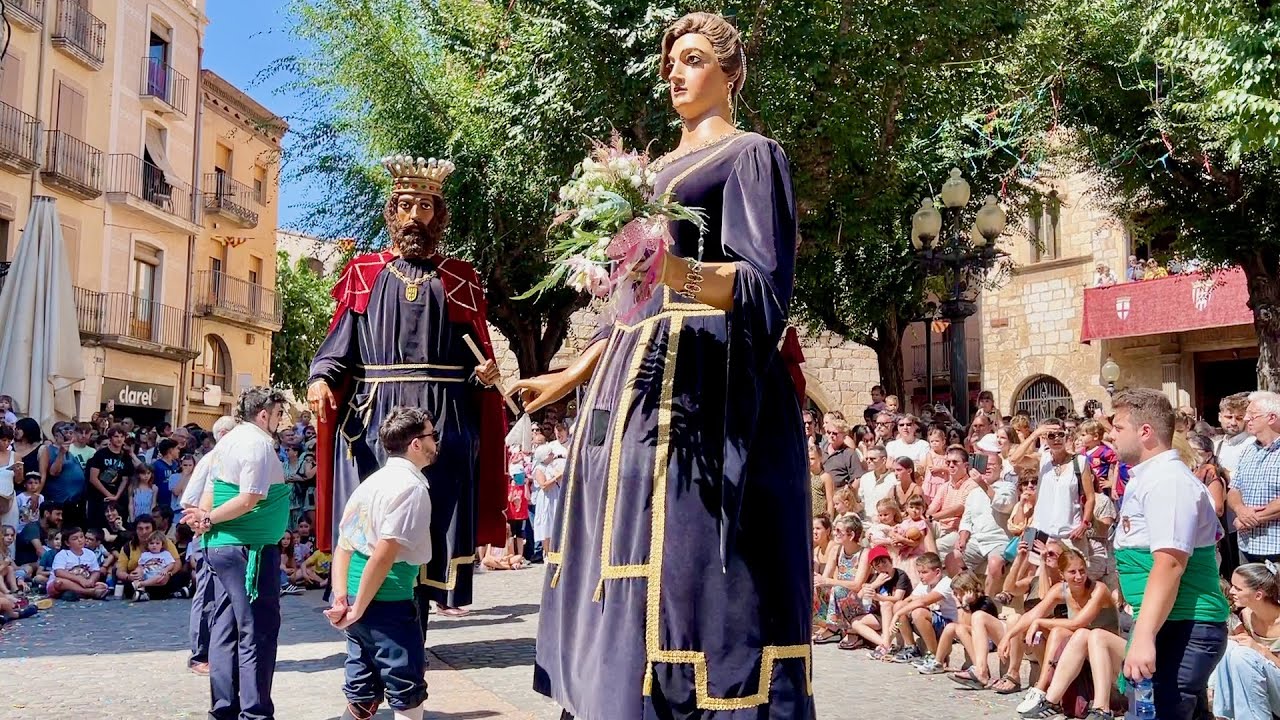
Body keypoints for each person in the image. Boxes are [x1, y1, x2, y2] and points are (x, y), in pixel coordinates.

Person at [515, 12, 813, 717]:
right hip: (628, 383)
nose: (675, 72)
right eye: (671, 60)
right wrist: (570, 374)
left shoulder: (749, 156)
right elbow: (627, 303)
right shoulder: (646, 176)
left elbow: (760, 288)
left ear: (730, 72)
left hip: (706, 387)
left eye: (695, 57)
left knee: (684, 561)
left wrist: (670, 270)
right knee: (618, 544)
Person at [307, 149, 508, 620]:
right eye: (405, 206)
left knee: (432, 520)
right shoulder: (364, 272)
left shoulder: (459, 276)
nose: (414, 217)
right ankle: (368, 613)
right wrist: (320, 376)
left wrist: (486, 377)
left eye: (425, 207)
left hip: (443, 415)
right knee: (377, 520)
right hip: (377, 415)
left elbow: (477, 351)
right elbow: (340, 346)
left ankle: (413, 626)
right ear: (391, 212)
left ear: (438, 214)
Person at [1110, 388, 1229, 719]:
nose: (1111, 435)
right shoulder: (1150, 478)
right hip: (1169, 622)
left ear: (1145, 431)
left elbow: (1171, 563)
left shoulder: (1168, 481)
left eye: (1118, 427)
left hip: (1185, 625)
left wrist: (1144, 637)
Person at [184, 389, 290, 720]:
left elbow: (213, 489)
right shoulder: (257, 443)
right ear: (264, 414)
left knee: (226, 629)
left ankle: (224, 709)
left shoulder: (226, 443)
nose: (279, 422)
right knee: (257, 630)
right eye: (277, 415)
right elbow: (249, 497)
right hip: (248, 548)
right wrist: (208, 519)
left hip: (226, 546)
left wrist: (204, 519)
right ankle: (255, 714)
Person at [326, 407, 437, 720]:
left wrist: (342, 597)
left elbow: (344, 544)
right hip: (387, 600)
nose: (435, 443)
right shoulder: (412, 489)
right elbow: (384, 554)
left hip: (358, 597)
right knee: (406, 691)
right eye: (431, 435)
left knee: (361, 692)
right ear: (416, 444)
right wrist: (357, 606)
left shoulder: (371, 483)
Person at [181, 415, 237, 676]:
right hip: (210, 536)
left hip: (230, 539)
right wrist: (202, 522)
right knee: (207, 596)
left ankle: (221, 651)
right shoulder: (211, 460)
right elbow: (190, 499)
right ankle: (200, 653)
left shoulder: (232, 460)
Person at [1210, 563, 1280, 720]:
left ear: (1258, 595)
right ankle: (1223, 715)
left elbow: (1253, 657)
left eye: (1238, 588)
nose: (1231, 592)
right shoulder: (1247, 616)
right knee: (1230, 647)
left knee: (1243, 655)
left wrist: (1262, 650)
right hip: (1263, 688)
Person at [1227, 391, 1280, 564]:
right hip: (1246, 545)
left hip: (1275, 547)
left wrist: (1250, 520)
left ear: (1271, 418)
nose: (1247, 419)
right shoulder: (1248, 450)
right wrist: (1240, 510)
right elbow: (1234, 490)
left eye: (1252, 415)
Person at [86, 425, 135, 532]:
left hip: (117, 499)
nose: (119, 439)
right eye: (116, 436)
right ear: (110, 438)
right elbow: (93, 478)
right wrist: (108, 495)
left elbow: (125, 479)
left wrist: (116, 496)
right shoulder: (100, 454)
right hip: (99, 497)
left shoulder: (126, 456)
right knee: (97, 528)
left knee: (117, 526)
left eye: (122, 437)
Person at [48, 526, 108, 600]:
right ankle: (89, 592)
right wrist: (79, 579)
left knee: (103, 586)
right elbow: (59, 572)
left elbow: (95, 571)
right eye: (75, 539)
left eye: (81, 537)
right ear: (67, 543)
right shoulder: (62, 554)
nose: (80, 540)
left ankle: (80, 592)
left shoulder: (90, 553)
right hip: (66, 583)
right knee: (58, 582)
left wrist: (91, 580)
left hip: (84, 583)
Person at [132, 531, 181, 602]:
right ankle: (141, 592)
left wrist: (166, 570)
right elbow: (140, 565)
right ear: (147, 545)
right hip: (147, 575)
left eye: (157, 543)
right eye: (151, 543)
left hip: (158, 575)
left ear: (162, 545)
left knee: (161, 576)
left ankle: (141, 585)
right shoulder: (145, 555)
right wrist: (137, 572)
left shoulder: (165, 554)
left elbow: (171, 563)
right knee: (138, 572)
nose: (154, 545)